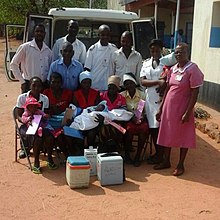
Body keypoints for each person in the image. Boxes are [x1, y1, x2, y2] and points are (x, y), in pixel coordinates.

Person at [154, 43, 204, 176]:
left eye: (181, 52)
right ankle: (166, 161)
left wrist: (188, 112)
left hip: (183, 109)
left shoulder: (192, 69)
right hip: (169, 108)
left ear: (187, 53)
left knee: (184, 136)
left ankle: (181, 164)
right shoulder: (173, 68)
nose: (178, 54)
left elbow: (195, 92)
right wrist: (161, 108)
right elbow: (168, 89)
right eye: (176, 52)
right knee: (167, 133)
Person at [16, 77, 58, 174]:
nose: (36, 88)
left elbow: (45, 113)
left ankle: (49, 158)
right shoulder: (22, 98)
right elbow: (18, 115)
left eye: (39, 86)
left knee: (50, 137)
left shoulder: (45, 98)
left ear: (42, 87)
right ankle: (36, 162)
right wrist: (26, 120)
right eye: (34, 85)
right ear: (30, 86)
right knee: (37, 139)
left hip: (41, 124)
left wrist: (45, 117)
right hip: (27, 124)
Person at [140, 39, 166, 164]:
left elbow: (167, 81)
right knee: (153, 128)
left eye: (157, 50)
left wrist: (163, 84)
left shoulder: (166, 64)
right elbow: (143, 81)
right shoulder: (145, 63)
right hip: (150, 99)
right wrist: (158, 82)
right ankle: (158, 154)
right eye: (152, 50)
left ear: (161, 50)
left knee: (163, 128)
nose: (154, 52)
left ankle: (162, 155)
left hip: (163, 99)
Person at [10, 24, 52, 93]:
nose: (39, 33)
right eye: (37, 31)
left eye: (41, 32)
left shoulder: (48, 51)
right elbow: (13, 64)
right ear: (33, 33)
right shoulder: (25, 48)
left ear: (45, 34)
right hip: (28, 85)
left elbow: (50, 69)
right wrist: (22, 81)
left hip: (44, 86)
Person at [121, 73, 149, 166]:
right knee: (128, 130)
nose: (129, 85)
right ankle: (127, 155)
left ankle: (138, 156)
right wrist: (131, 117)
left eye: (131, 83)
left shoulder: (142, 95)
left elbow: (142, 109)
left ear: (134, 83)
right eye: (127, 83)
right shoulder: (122, 95)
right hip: (128, 119)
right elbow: (122, 109)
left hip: (140, 117)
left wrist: (139, 117)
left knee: (143, 130)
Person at [43, 72, 73, 158]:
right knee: (57, 135)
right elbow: (44, 110)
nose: (56, 84)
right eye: (53, 82)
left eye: (58, 82)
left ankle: (71, 154)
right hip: (51, 121)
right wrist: (52, 110)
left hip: (64, 121)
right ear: (49, 83)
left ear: (61, 83)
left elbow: (71, 108)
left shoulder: (68, 93)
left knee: (67, 133)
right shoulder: (46, 93)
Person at [72, 70, 101, 147]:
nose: (87, 85)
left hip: (92, 119)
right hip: (80, 119)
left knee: (91, 134)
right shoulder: (76, 94)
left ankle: (90, 152)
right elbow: (75, 109)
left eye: (88, 82)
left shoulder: (96, 93)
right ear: (81, 83)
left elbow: (97, 107)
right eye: (84, 82)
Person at [84, 24, 117, 91]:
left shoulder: (114, 49)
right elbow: (87, 69)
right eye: (103, 35)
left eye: (107, 35)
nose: (105, 37)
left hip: (109, 89)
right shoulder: (92, 50)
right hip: (95, 87)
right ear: (99, 35)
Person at [99, 75, 127, 148]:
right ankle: (105, 147)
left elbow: (124, 111)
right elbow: (97, 109)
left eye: (113, 87)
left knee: (118, 128)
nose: (111, 89)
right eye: (109, 87)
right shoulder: (101, 95)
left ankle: (115, 148)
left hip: (116, 120)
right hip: (104, 120)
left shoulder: (121, 98)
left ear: (117, 89)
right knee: (104, 128)